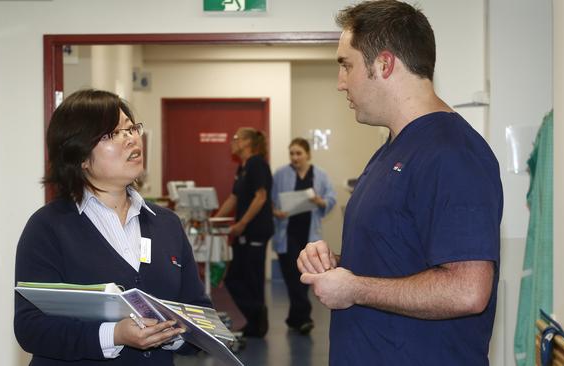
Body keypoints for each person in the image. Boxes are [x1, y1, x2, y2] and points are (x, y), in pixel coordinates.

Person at [296, 1, 503, 365]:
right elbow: (396, 262)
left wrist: (355, 288)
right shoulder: (392, 148)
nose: (341, 83)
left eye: (347, 65)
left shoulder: (453, 154)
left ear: (384, 64)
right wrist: (337, 268)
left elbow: (467, 290)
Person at [14, 89, 212, 365]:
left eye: (131, 129)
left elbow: (200, 312)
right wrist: (114, 335)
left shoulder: (166, 223)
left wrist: (173, 334)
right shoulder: (48, 227)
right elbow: (31, 328)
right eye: (111, 134)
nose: (130, 138)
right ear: (80, 156)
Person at [271, 138, 336, 334]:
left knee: (303, 275)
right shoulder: (281, 174)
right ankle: (301, 317)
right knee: (292, 276)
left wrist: (319, 201)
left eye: (298, 153)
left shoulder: (320, 175)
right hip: (287, 232)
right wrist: (276, 212)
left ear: (308, 154)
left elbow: (331, 199)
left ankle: (298, 318)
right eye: (292, 153)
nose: (295, 157)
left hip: (309, 234)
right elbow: (272, 201)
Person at [215, 127, 274, 338]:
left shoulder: (257, 164)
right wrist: (214, 220)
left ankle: (257, 324)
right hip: (243, 232)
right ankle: (253, 318)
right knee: (233, 278)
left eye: (236, 138)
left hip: (256, 231)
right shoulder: (243, 167)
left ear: (248, 142)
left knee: (252, 278)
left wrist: (242, 223)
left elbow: (261, 197)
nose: (233, 142)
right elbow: (234, 198)